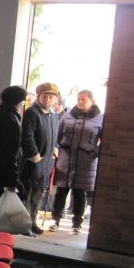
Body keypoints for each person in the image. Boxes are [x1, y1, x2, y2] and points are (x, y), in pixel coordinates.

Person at [49, 90, 103, 234]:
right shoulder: (67, 116)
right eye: (78, 99)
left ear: (92, 101)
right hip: (65, 160)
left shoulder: (100, 118)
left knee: (80, 193)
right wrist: (57, 149)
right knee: (61, 191)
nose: (80, 102)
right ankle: (55, 219)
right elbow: (57, 135)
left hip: (86, 162)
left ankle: (77, 223)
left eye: (83, 99)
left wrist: (94, 152)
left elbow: (105, 140)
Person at [20, 82, 60, 236]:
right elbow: (27, 136)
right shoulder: (32, 113)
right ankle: (24, 225)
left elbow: (55, 136)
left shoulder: (53, 115)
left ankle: (33, 222)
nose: (48, 99)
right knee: (28, 194)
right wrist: (34, 155)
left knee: (38, 195)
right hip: (34, 163)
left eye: (51, 97)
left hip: (47, 162)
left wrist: (55, 149)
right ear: (39, 96)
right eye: (45, 96)